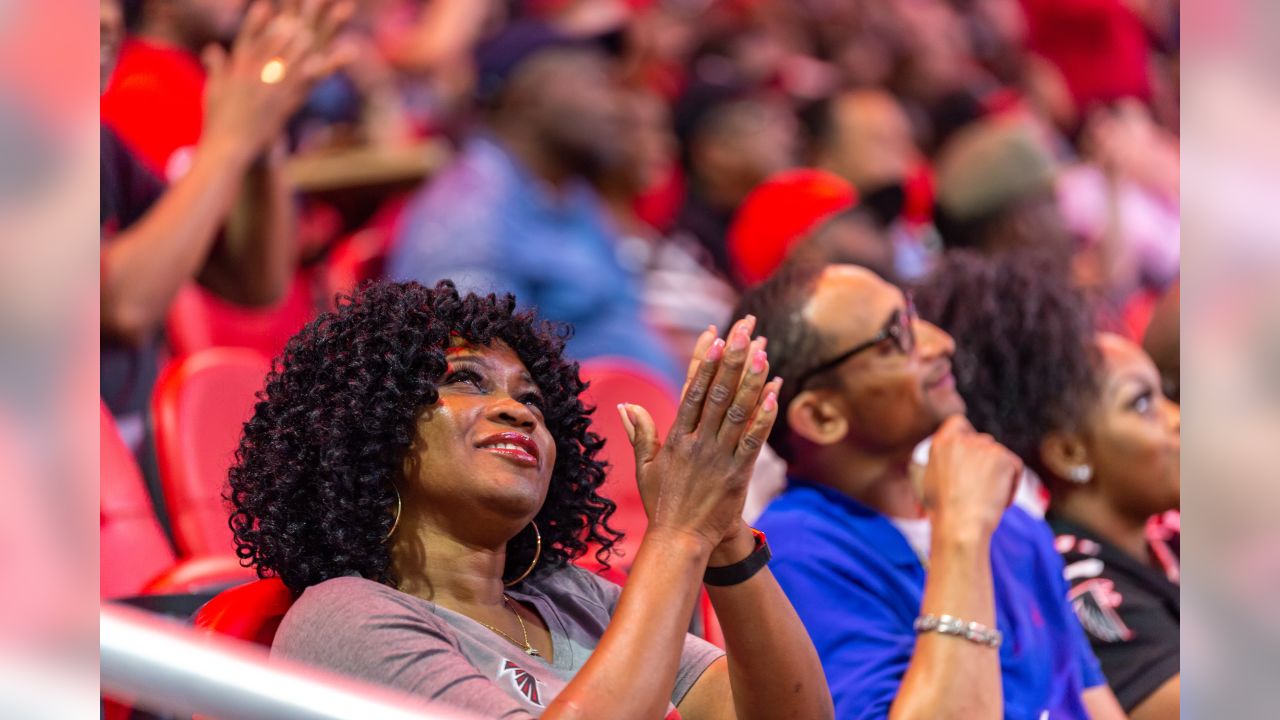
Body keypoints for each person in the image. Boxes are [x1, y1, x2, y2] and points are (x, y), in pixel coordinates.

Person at [229, 280, 831, 719]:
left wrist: (722, 533)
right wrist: (676, 535)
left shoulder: (572, 597)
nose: (518, 409)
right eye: (464, 380)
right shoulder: (344, 619)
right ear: (371, 425)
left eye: (534, 401)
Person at [737, 261, 1127, 718]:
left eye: (914, 314)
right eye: (895, 336)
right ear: (822, 416)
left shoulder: (1013, 527)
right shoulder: (793, 555)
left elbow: (1093, 704)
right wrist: (962, 532)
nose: (942, 342)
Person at [916, 250, 1180, 718]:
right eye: (1141, 404)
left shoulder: (1168, 532)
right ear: (1069, 453)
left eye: (1164, 394)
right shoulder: (1080, 579)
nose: (1177, 419)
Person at [99, 0, 346, 445]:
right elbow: (124, 306)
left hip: (131, 446)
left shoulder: (102, 142)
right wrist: (230, 142)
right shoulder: (131, 89)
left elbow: (255, 282)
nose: (104, 18)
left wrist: (262, 134)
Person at [388, 21, 679, 382]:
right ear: (529, 95)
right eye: (597, 83)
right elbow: (475, 381)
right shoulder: (471, 214)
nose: (618, 107)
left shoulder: (569, 190)